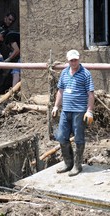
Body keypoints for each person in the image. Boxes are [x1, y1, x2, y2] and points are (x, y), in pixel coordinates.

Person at [52, 49, 95, 177]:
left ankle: (77, 165)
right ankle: (68, 163)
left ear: (79, 59)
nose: (74, 62)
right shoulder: (64, 73)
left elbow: (91, 94)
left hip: (79, 111)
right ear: (68, 60)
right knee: (62, 136)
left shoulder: (86, 74)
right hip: (66, 110)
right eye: (71, 60)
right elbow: (60, 91)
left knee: (78, 138)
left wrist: (89, 110)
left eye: (75, 59)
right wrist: (55, 106)